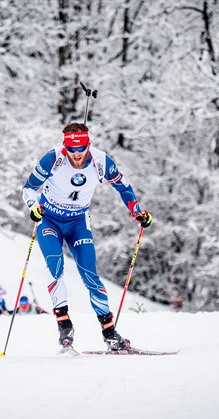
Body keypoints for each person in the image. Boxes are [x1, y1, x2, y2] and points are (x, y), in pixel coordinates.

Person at [21, 122, 152, 350]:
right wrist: (33, 206)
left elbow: (124, 186)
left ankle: (110, 333)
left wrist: (137, 211)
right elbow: (28, 188)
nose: (77, 154)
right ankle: (65, 326)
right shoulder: (52, 159)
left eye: (81, 148)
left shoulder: (101, 161)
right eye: (72, 149)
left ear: (88, 144)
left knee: (90, 275)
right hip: (49, 220)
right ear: (65, 147)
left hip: (78, 222)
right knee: (56, 267)